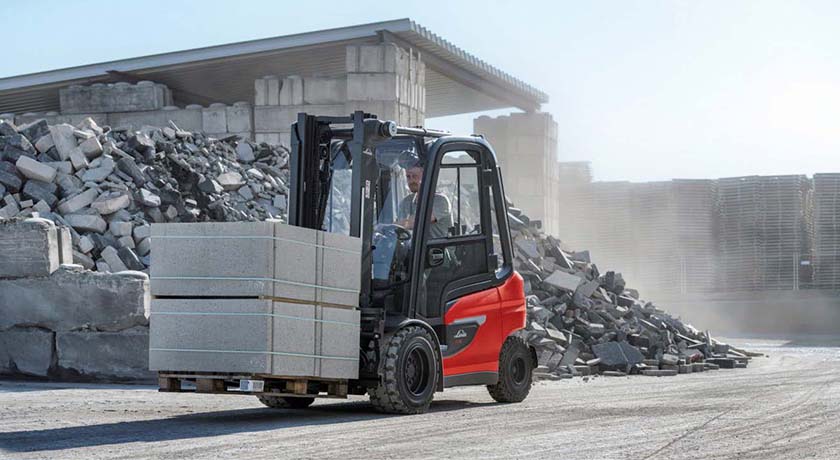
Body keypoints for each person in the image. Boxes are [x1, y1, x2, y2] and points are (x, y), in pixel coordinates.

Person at [397, 164, 452, 239]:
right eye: (408, 177)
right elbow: (400, 225)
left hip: (435, 245)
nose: (411, 181)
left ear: (425, 177)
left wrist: (392, 226)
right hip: (412, 245)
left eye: (415, 176)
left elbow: (418, 221)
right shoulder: (406, 202)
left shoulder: (440, 200)